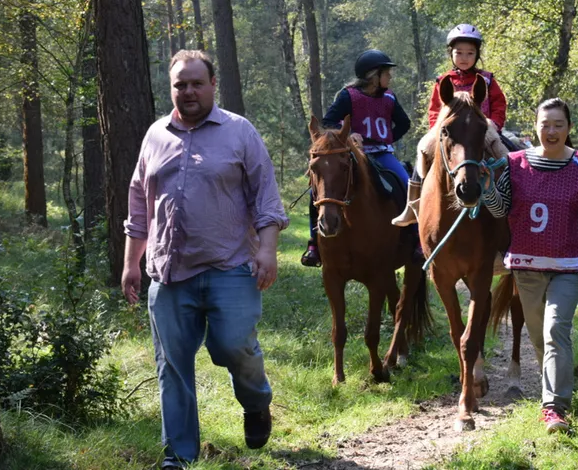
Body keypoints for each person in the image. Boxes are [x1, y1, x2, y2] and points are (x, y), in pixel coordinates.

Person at [122, 50, 289, 468]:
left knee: (234, 345)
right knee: (172, 367)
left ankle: (256, 402)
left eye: (197, 83)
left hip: (229, 267)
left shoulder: (239, 131)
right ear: (171, 89)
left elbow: (266, 198)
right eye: (180, 85)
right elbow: (139, 205)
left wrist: (267, 250)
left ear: (213, 85)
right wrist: (130, 263)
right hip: (169, 273)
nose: (189, 91)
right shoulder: (155, 135)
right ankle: (178, 455)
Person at [481, 98, 578, 434]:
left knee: (555, 330)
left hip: (569, 266)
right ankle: (553, 383)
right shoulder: (515, 164)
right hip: (526, 267)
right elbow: (499, 209)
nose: (551, 131)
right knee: (539, 337)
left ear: (569, 128)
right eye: (545, 124)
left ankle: (554, 408)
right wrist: (487, 186)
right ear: (535, 126)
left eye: (558, 125)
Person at [301, 49, 416, 267]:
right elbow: (329, 122)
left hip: (382, 153)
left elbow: (404, 123)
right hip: (352, 155)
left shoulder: (389, 97)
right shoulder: (348, 96)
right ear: (373, 75)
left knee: (407, 182)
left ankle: (416, 238)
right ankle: (314, 243)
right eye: (386, 73)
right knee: (316, 191)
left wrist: (387, 139)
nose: (390, 77)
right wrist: (349, 135)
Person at [392, 23, 510, 227]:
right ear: (451, 53)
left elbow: (499, 103)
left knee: (507, 154)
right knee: (422, 148)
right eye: (459, 52)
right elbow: (434, 109)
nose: (464, 57)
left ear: (477, 54)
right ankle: (412, 205)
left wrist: (495, 122)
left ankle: (518, 197)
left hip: (484, 127)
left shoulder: (487, 79)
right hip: (449, 130)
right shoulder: (443, 80)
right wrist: (436, 129)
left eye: (470, 53)